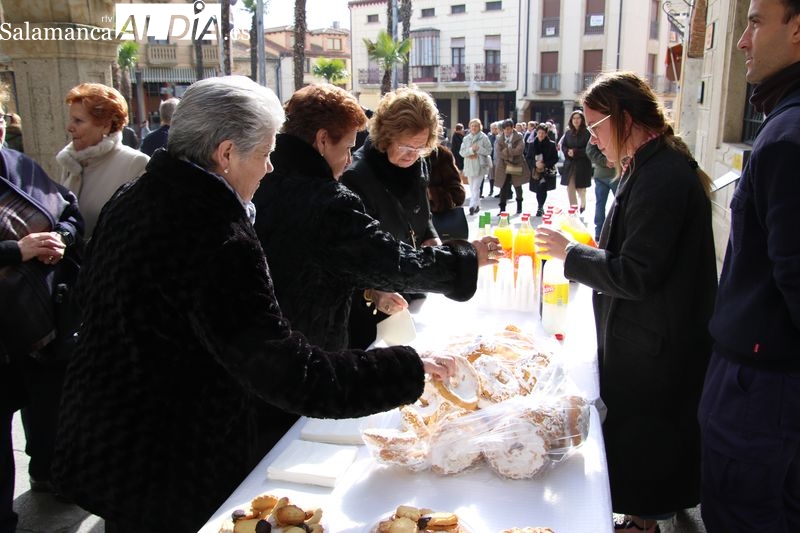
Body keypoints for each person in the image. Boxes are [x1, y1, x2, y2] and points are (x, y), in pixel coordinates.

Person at [51, 76, 458, 533]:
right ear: (226, 153)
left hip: (110, 439)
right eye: (265, 153)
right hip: (170, 463)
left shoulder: (135, 195)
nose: (269, 168)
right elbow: (286, 370)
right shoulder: (213, 234)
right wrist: (405, 368)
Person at [535, 71, 717, 533]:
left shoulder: (661, 176)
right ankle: (647, 513)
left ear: (627, 120)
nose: (592, 139)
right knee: (650, 436)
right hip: (652, 335)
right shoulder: (649, 164)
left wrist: (570, 254)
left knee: (650, 436)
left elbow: (637, 273)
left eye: (597, 127)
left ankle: (643, 522)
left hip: (657, 342)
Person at [253, 85, 498, 352]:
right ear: (322, 140)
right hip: (308, 345)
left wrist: (430, 239)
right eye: (348, 147)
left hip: (268, 338)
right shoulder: (330, 199)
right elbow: (387, 260)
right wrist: (464, 259)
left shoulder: (261, 178)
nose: (349, 158)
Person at [699, 1, 800, 531]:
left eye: (756, 22)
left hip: (763, 389)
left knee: (744, 514)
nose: (742, 40)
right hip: (763, 380)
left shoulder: (788, 137)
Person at [1, 85, 84, 532]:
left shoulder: (20, 165)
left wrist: (61, 239)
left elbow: (67, 210)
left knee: (48, 407)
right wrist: (17, 250)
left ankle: (50, 473)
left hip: (40, 316)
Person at [56, 83, 149, 238]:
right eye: (71, 119)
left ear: (105, 125)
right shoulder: (70, 161)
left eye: (78, 121)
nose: (69, 127)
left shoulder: (135, 163)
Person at [493, 118, 530, 215]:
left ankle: (519, 205)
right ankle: (502, 209)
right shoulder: (500, 138)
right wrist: (509, 152)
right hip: (503, 165)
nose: (507, 131)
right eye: (505, 129)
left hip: (516, 163)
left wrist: (507, 151)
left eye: (508, 129)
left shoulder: (519, 136)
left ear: (512, 128)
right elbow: (499, 152)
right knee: (503, 186)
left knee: (517, 185)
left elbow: (519, 150)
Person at [560, 110, 593, 213]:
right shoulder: (568, 133)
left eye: (578, 118)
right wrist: (567, 151)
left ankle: (582, 203)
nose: (576, 120)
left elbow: (589, 149)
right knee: (570, 187)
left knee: (581, 188)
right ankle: (573, 210)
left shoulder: (587, 133)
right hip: (570, 164)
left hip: (583, 164)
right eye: (574, 118)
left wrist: (575, 152)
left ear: (582, 119)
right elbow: (563, 145)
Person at [459, 118, 493, 215]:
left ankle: (472, 206)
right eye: (472, 126)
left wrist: (478, 149)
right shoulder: (466, 138)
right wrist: (470, 151)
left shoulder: (484, 137)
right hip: (469, 165)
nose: (474, 128)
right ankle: (477, 205)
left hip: (480, 166)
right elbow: (461, 152)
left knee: (476, 187)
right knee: (472, 187)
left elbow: (489, 150)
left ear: (480, 127)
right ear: (469, 127)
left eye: (476, 126)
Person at [587, 140, 617, 241]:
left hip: (601, 174)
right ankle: (616, 232)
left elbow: (590, 150)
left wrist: (603, 161)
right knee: (620, 204)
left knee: (600, 204)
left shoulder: (596, 133)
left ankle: (599, 232)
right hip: (616, 174)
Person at [527, 123, 559, 217]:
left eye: (543, 133)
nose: (541, 135)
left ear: (546, 134)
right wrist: (535, 164)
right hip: (536, 171)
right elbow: (528, 158)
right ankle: (540, 206)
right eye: (539, 133)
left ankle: (540, 207)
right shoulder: (532, 144)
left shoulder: (551, 144)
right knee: (538, 189)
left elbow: (555, 158)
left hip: (546, 170)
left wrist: (545, 164)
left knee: (542, 187)